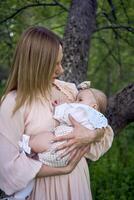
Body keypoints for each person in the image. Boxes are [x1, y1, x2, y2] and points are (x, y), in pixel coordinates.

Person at [0, 26, 114, 200]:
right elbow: (8, 168)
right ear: (36, 64)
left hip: (77, 183)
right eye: (54, 64)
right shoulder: (13, 103)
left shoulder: (68, 90)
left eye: (60, 62)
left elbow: (99, 125)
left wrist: (91, 135)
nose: (61, 70)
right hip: (44, 190)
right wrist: (64, 169)